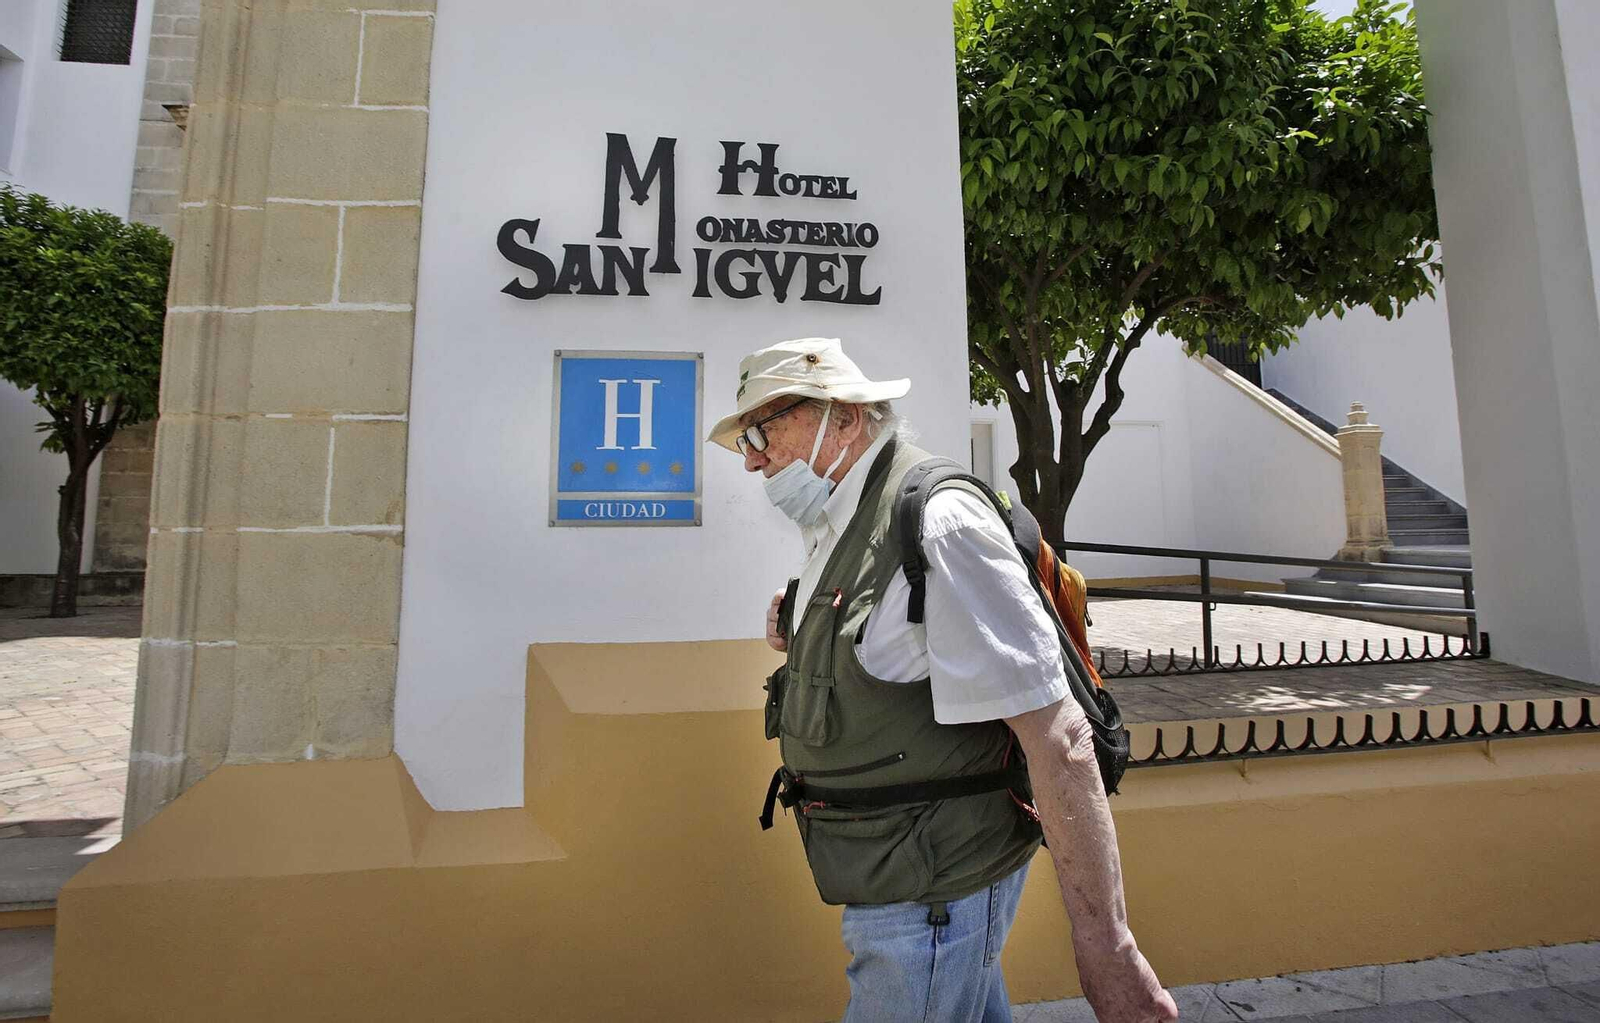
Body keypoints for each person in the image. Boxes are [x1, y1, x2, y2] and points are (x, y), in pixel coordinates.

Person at [708, 337, 1178, 1023]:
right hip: (899, 880)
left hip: (934, 893)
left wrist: (1107, 945)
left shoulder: (938, 521)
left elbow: (1060, 737)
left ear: (842, 417)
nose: (751, 459)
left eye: (761, 430)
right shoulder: (840, 516)